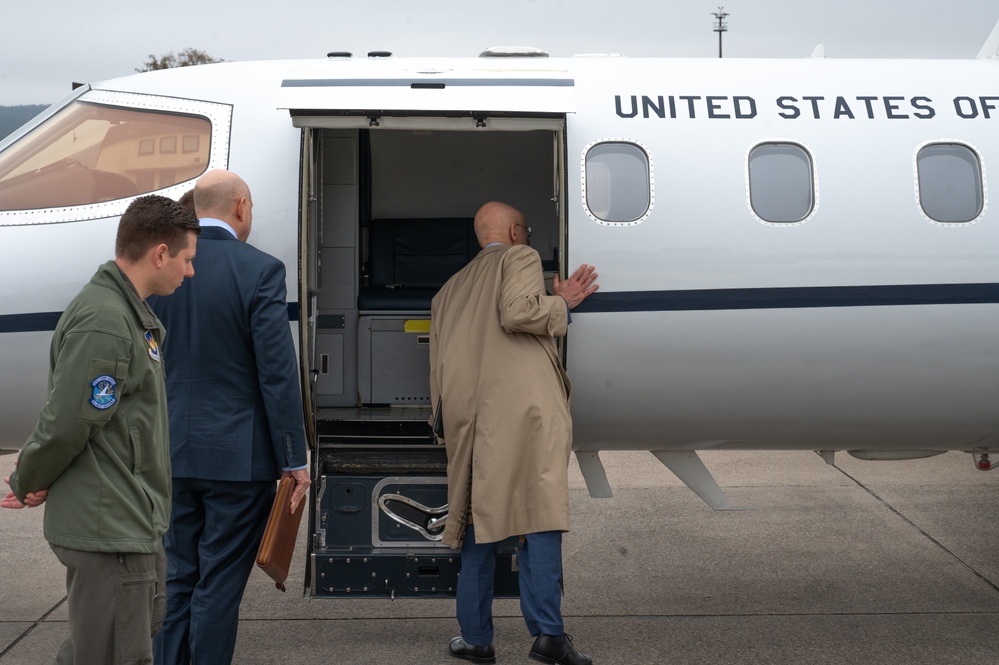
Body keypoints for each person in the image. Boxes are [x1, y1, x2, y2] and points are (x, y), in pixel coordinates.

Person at [2, 195, 200, 664]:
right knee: (111, 655)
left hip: (127, 520)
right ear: (159, 254)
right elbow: (67, 422)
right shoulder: (108, 321)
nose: (190, 272)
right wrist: (28, 479)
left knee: (107, 649)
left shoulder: (126, 314)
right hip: (109, 524)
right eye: (187, 259)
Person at [148, 169, 310, 665]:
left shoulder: (160, 273)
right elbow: (277, 375)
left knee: (178, 579)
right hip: (239, 463)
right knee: (218, 585)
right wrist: (294, 458)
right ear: (241, 206)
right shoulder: (259, 270)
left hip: (172, 455)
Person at [429, 201, 599, 665]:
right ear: (512, 230)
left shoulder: (448, 290)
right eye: (525, 228)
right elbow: (518, 312)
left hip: (472, 421)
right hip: (523, 415)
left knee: (478, 525)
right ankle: (548, 636)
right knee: (538, 517)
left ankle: (477, 640)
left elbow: (437, 371)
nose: (527, 235)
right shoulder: (520, 258)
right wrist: (561, 301)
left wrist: (446, 427)